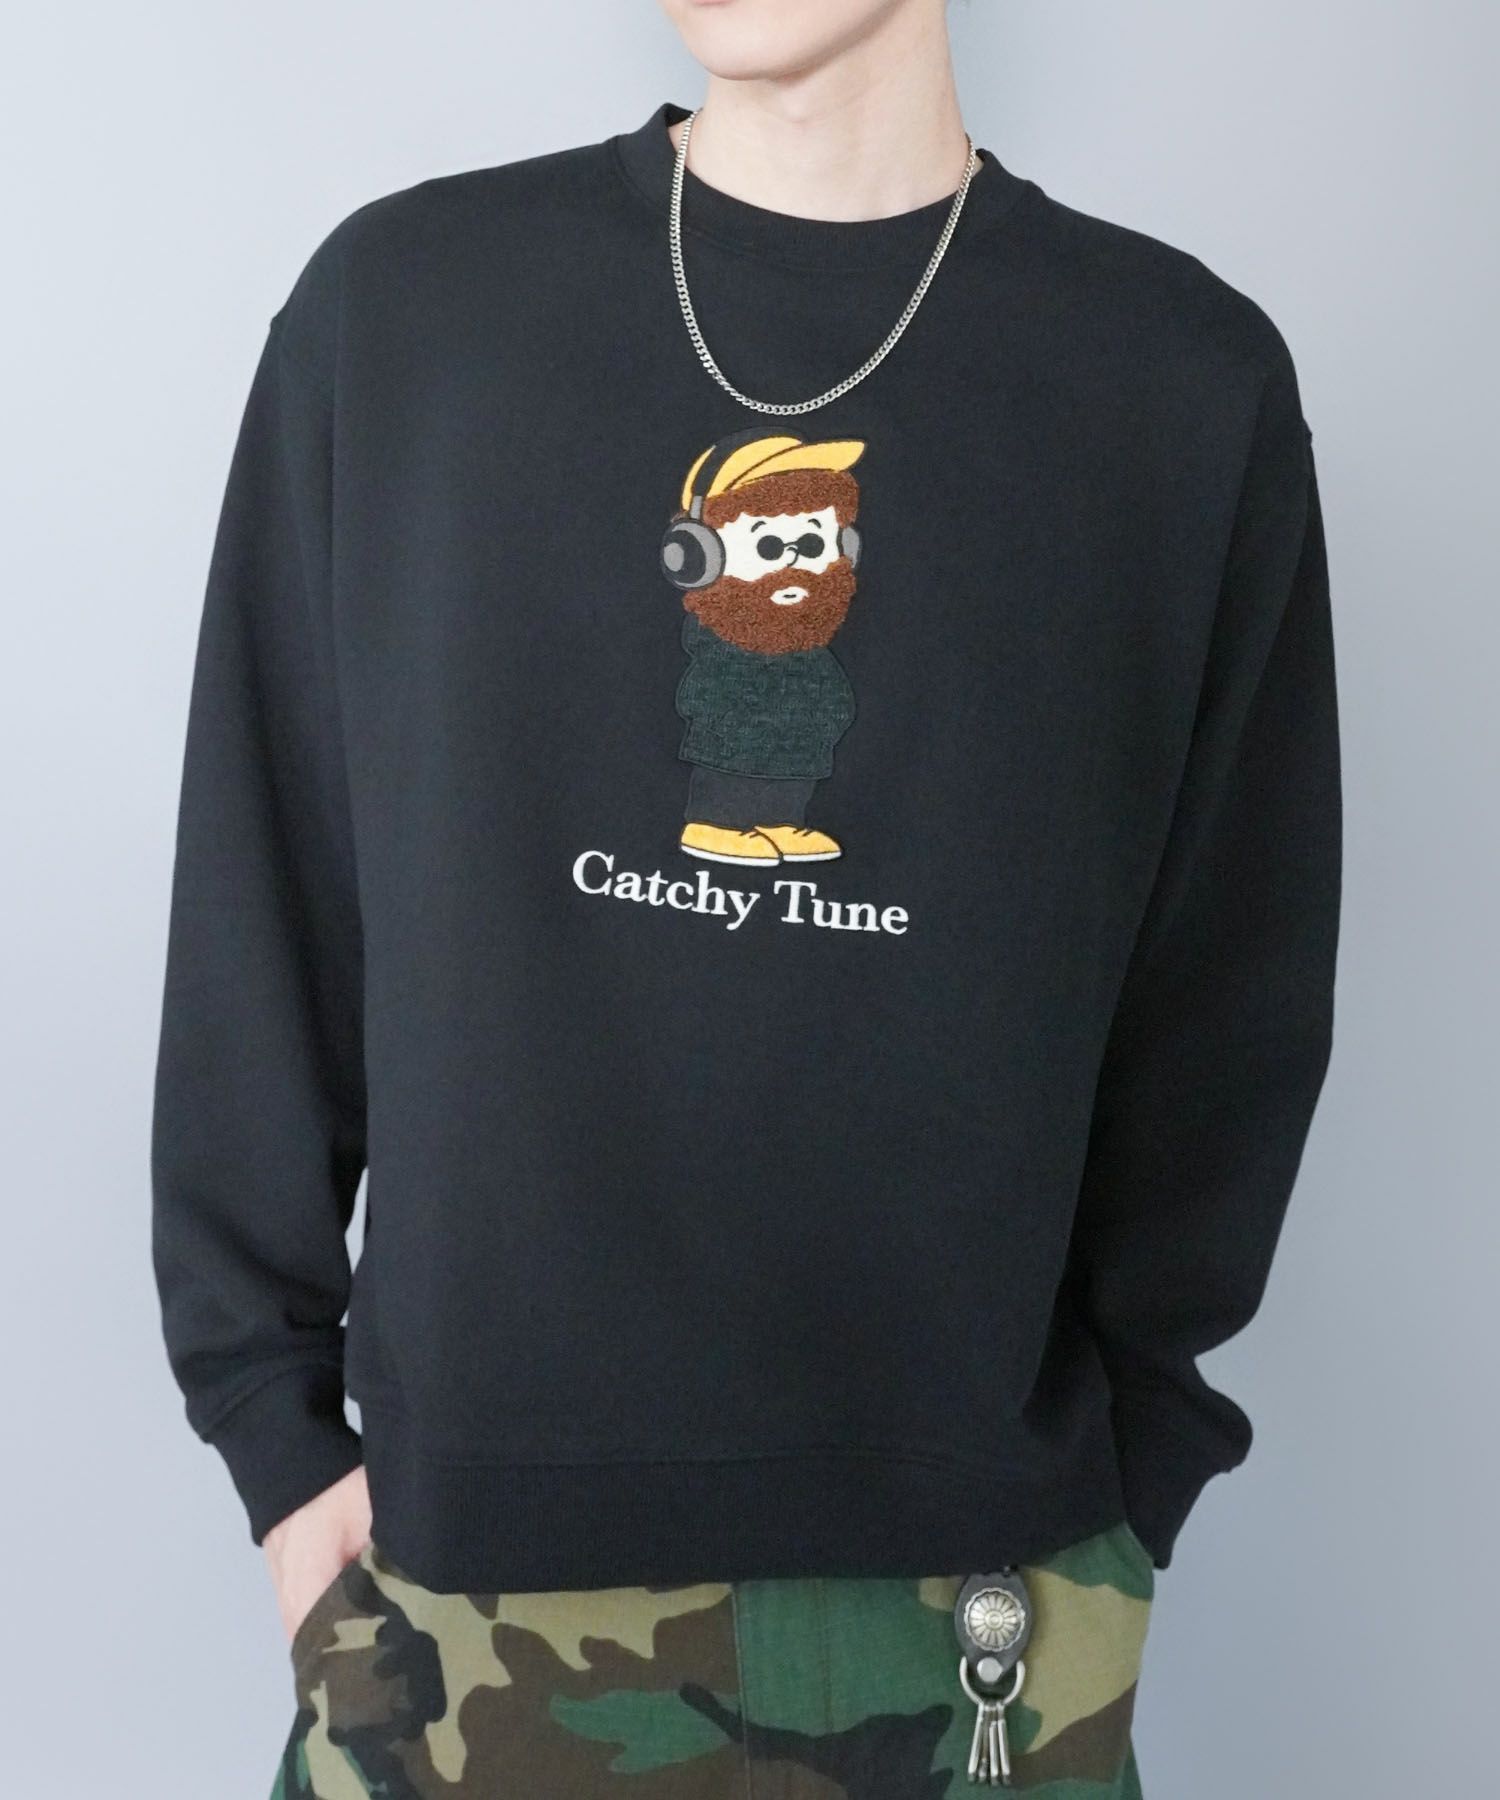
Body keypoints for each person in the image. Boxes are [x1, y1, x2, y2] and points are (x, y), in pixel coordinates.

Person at [149, 0, 1342, 1793]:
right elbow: (268, 900)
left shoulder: (1178, 381)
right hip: (461, 1608)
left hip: (986, 1609)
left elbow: (1228, 994)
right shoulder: (405, 316)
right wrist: (277, 1439)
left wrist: (1133, 1480)